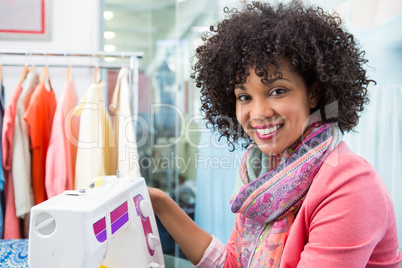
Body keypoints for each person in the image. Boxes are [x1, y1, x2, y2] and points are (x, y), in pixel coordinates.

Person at [148, 0, 402, 267]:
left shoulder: (349, 187)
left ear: (314, 92)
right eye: (244, 96)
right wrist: (161, 203)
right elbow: (234, 263)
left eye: (278, 91)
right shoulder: (263, 176)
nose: (258, 112)